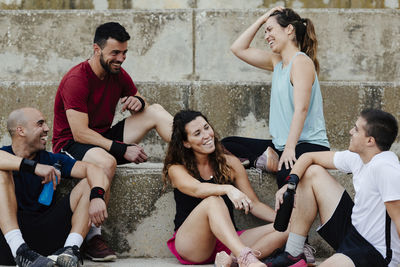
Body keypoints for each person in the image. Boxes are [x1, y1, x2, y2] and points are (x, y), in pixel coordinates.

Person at [52, 22, 173, 260]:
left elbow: (138, 99)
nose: (121, 58)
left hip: (101, 138)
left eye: (124, 52)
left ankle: (200, 152)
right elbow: (80, 134)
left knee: (156, 110)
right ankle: (93, 237)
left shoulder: (115, 72)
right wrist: (121, 149)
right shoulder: (77, 79)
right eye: (115, 53)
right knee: (106, 162)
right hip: (71, 145)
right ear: (97, 49)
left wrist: (139, 101)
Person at [265, 109, 400, 267]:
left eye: (356, 129)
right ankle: (293, 253)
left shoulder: (386, 168)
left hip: (375, 253)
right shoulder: (358, 157)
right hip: (354, 234)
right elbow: (309, 157)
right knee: (312, 172)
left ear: (370, 141)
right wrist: (290, 185)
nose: (350, 131)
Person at [163, 110, 290, 267]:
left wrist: (285, 219)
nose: (207, 135)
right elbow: (198, 189)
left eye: (206, 127)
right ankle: (246, 258)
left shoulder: (230, 163)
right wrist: (228, 189)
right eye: (197, 133)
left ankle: (233, 260)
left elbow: (254, 205)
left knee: (288, 229)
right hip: (193, 244)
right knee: (212, 201)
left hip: (226, 241)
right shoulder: (177, 169)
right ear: (186, 142)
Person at [221, 7, 330, 189]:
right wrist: (264, 19)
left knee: (285, 175)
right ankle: (263, 159)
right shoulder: (277, 62)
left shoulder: (301, 62)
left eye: (270, 30)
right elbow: (238, 48)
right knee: (226, 145)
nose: (266, 36)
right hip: (281, 145)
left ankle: (281, 212)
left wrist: (289, 149)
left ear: (289, 29)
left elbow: (301, 109)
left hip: (307, 144)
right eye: (266, 31)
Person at [0, 107, 110, 267]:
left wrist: (97, 196)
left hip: (48, 237)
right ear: (21, 130)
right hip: (9, 243)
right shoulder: (5, 154)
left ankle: (70, 250)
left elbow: (93, 169)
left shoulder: (52, 159)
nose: (46, 129)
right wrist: (33, 167)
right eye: (40, 124)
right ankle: (20, 251)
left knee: (91, 181)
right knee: (1, 172)